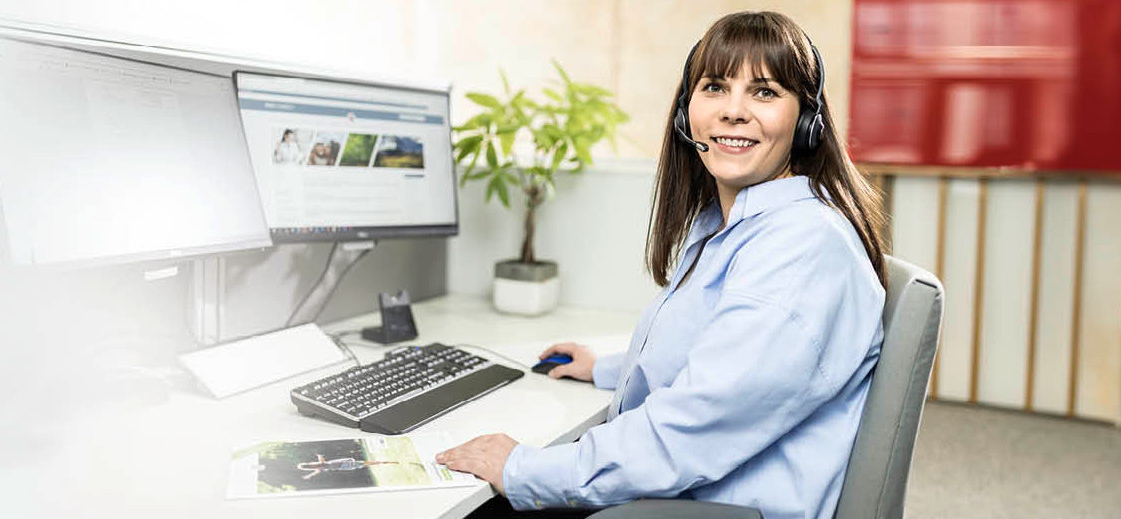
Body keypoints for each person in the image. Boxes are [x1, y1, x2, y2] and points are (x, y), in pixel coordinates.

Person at [436, 11, 889, 519]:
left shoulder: (802, 248)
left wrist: (524, 470)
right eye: (715, 86)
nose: (733, 111)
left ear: (806, 122)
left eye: (764, 92)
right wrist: (608, 368)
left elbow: (691, 431)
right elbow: (721, 363)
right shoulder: (732, 225)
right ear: (685, 112)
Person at [295, 454, 402, 480]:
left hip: (344, 467)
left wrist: (308, 476)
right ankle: (385, 462)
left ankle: (384, 462)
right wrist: (319, 456)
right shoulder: (320, 465)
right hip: (344, 463)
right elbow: (322, 459)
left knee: (366, 463)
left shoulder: (319, 468)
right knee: (367, 463)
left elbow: (315, 472)